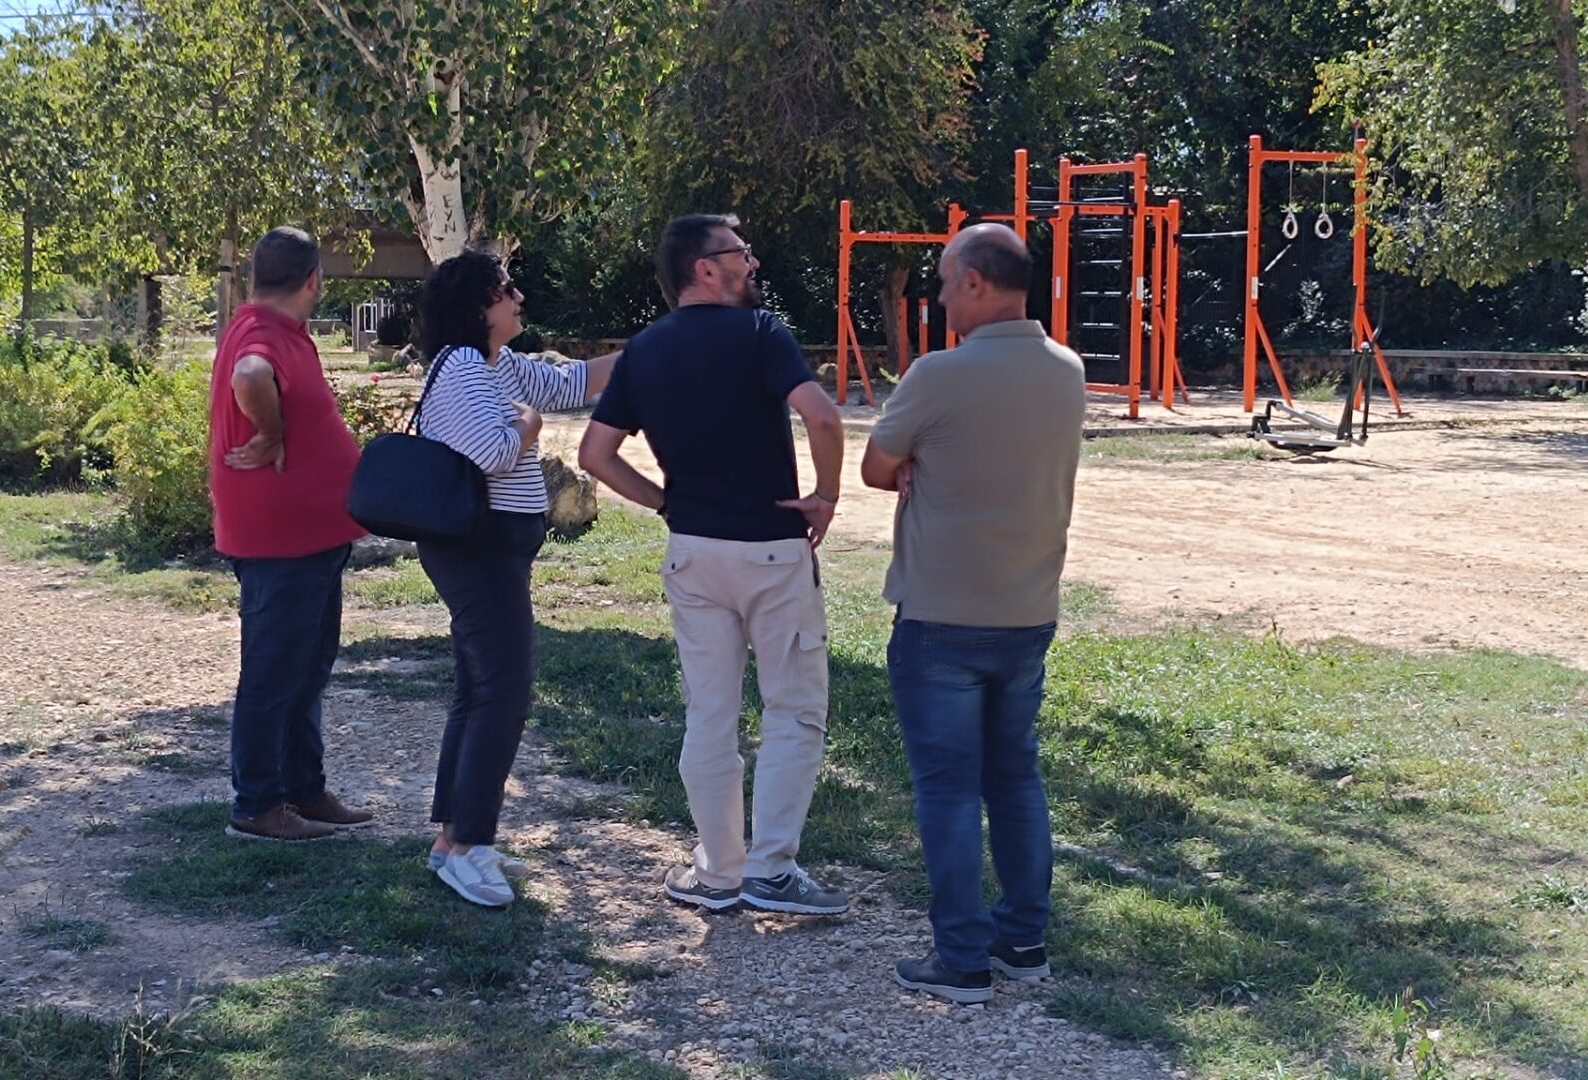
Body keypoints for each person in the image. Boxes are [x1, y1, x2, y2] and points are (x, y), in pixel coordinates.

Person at [579, 213, 848, 916]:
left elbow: (596, 455)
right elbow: (823, 417)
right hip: (772, 548)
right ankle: (772, 871)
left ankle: (719, 872)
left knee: (710, 713)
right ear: (705, 268)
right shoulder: (761, 333)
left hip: (694, 551)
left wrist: (664, 502)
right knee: (793, 709)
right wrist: (825, 496)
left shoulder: (643, 349)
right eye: (740, 253)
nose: (751, 263)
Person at [860, 224, 1085, 1003]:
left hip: (941, 614)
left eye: (946, 280)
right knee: (1015, 777)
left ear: (977, 283)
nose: (940, 295)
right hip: (1028, 609)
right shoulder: (1068, 370)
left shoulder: (937, 374)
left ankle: (959, 957)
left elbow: (877, 467)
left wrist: (920, 462)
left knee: (949, 789)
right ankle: (1022, 939)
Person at [414, 251, 618, 908]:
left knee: (478, 691)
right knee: (503, 693)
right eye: (506, 289)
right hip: (478, 551)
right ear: (480, 305)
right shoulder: (465, 368)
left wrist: (657, 347)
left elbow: (570, 383)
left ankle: (451, 840)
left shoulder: (496, 363)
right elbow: (497, 450)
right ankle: (469, 847)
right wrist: (528, 425)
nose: (519, 296)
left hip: (489, 548)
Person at [210, 226, 373, 842]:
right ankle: (257, 805)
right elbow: (251, 375)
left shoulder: (280, 328)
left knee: (306, 670)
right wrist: (271, 432)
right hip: (281, 543)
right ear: (313, 280)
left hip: (312, 537)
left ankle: (304, 790)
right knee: (274, 675)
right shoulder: (260, 335)